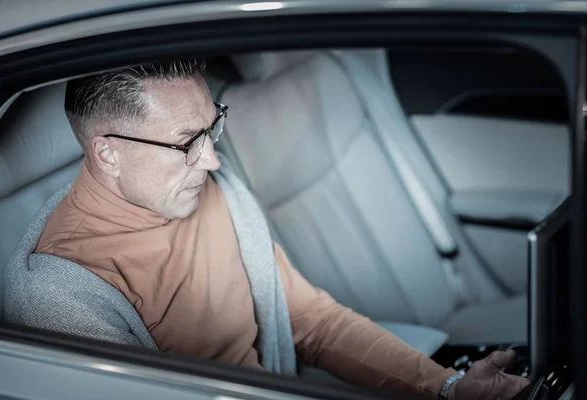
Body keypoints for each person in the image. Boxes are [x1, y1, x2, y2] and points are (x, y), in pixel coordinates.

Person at [28, 59, 529, 399]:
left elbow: (309, 320)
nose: (214, 160)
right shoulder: (62, 294)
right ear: (108, 153)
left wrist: (445, 387)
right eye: (187, 142)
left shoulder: (210, 193)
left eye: (212, 126)